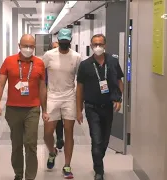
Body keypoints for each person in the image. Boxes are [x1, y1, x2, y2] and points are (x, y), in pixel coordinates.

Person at [0, 34, 49, 180]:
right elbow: (0, 83)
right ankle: (18, 174)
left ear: (35, 47)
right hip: (13, 109)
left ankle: (30, 177)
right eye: (25, 46)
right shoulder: (9, 61)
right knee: (16, 145)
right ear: (19, 45)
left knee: (30, 144)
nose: (28, 49)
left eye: (31, 46)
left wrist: (45, 110)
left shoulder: (39, 63)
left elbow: (43, 87)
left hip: (32, 109)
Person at [76, 34, 124, 180]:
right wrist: (79, 109)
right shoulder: (85, 65)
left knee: (104, 140)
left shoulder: (113, 62)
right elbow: (80, 88)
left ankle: (98, 158)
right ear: (91, 46)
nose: (98, 47)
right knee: (96, 139)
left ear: (105, 45)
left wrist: (118, 98)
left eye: (100, 44)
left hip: (108, 106)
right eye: (95, 44)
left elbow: (119, 81)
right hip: (92, 107)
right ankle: (99, 171)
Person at [42, 28, 82, 179]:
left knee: (68, 131)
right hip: (52, 96)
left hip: (69, 97)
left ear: (70, 41)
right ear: (58, 41)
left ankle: (67, 165)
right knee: (47, 133)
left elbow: (80, 82)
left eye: (67, 41)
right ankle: (52, 152)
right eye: (62, 41)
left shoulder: (76, 57)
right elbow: (40, 75)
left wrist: (79, 106)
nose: (64, 44)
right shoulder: (49, 56)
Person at [48, 41, 65, 151]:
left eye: (58, 47)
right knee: (52, 120)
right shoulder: (47, 61)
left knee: (60, 118)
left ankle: (59, 138)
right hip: (51, 94)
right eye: (54, 48)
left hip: (64, 95)